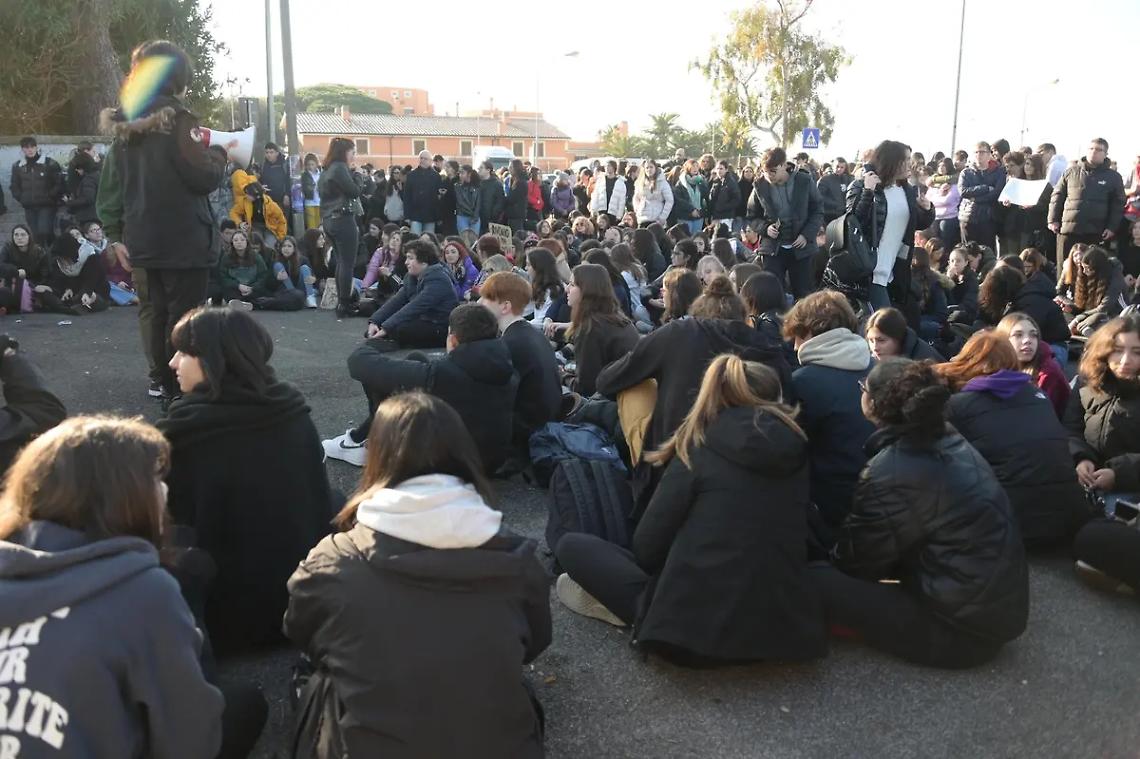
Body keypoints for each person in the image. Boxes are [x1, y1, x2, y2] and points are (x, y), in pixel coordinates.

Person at [286, 392, 550, 757]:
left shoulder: (334, 560)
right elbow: (534, 643)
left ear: (377, 456)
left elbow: (302, 630)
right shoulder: (518, 559)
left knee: (312, 677)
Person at [554, 355, 827, 663]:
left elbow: (646, 549)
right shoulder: (796, 449)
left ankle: (628, 610)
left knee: (573, 546)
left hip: (689, 637)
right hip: (782, 633)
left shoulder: (698, 446)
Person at [0, 416, 237, 758]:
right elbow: (192, 741)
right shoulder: (146, 592)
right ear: (122, 496)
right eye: (155, 480)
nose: (165, 491)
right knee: (243, 704)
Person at [811, 358, 1028, 668]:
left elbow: (856, 565)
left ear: (873, 404)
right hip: (989, 615)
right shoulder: (951, 439)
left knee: (817, 580)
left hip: (958, 633)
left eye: (863, 389)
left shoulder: (893, 468)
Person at [159, 307, 333, 654]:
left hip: (222, 619)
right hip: (301, 603)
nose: (173, 363)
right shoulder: (291, 410)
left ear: (213, 359)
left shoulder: (186, 433)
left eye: (184, 352)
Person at [109, 41, 226, 402]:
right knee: (186, 319)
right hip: (183, 240)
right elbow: (202, 177)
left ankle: (162, 380)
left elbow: (117, 183)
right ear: (176, 78)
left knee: (156, 314)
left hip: (143, 238)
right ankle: (184, 394)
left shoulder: (127, 125)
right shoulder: (179, 120)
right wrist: (221, 153)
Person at [938, 332, 1088, 546]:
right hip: (1066, 518)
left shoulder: (958, 405)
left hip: (1008, 524)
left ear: (968, 360)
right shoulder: (1038, 396)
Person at [331, 304, 518, 473]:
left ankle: (373, 445)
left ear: (453, 340)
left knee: (381, 377)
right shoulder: (507, 368)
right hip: (490, 462)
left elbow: (360, 363)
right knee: (417, 359)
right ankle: (362, 439)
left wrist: (375, 343)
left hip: (449, 467)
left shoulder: (444, 374)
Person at [782, 290, 875, 526]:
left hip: (831, 509)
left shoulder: (803, 382)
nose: (794, 347)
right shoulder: (877, 369)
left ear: (812, 331)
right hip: (883, 499)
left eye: (798, 336)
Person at [1065, 314, 1140, 593]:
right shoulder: (1087, 383)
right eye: (1118, 351)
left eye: (1136, 352)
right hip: (1089, 482)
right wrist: (1080, 458)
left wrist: (1117, 473)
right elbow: (1070, 427)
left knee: (1094, 533)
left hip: (1129, 489)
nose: (1125, 360)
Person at [846, 140, 936, 313]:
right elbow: (853, 221)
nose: (911, 164)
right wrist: (867, 192)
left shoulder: (907, 190)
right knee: (885, 328)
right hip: (869, 272)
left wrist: (927, 210)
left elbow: (915, 224)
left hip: (894, 273)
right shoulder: (861, 184)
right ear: (892, 161)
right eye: (906, 159)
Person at [479, 272, 562, 445]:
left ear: (505, 306)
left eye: (487, 298)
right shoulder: (531, 334)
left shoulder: (510, 343)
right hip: (546, 423)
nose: (479, 303)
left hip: (528, 434)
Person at [747, 147, 823, 300]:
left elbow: (818, 211)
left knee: (804, 296)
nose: (768, 176)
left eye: (773, 171)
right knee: (772, 295)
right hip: (772, 249)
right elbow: (751, 216)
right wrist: (765, 228)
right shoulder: (759, 186)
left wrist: (806, 235)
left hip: (802, 248)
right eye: (765, 171)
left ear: (783, 165)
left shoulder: (805, 180)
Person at [1049, 138, 1125, 273]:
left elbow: (1118, 204)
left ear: (1105, 154)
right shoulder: (1071, 172)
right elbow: (1057, 196)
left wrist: (1111, 227)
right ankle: (1062, 293)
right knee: (1065, 269)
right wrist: (1053, 219)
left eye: (1099, 150)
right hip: (1068, 229)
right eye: (1091, 149)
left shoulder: (1113, 177)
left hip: (1095, 232)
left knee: (1092, 269)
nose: (1094, 152)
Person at [366, 239, 458, 349]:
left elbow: (416, 306)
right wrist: (375, 321)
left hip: (440, 325)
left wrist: (386, 328)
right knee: (382, 327)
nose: (406, 262)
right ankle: (389, 339)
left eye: (410, 258)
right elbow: (396, 301)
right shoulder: (412, 277)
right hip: (425, 320)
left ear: (424, 262)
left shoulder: (439, 279)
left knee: (399, 329)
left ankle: (392, 341)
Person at [564, 264, 639, 397]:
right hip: (627, 396)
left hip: (611, 404)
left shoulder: (590, 328)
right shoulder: (616, 317)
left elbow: (586, 388)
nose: (567, 289)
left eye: (572, 284)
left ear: (587, 290)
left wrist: (562, 376)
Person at [318, 137, 362, 318]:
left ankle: (342, 301)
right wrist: (358, 175)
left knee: (341, 261)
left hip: (329, 219)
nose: (354, 155)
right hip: (342, 218)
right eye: (352, 151)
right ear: (344, 152)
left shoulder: (327, 169)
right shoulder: (339, 168)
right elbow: (354, 191)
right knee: (347, 263)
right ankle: (344, 303)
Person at [995, 312, 1070, 417]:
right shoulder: (989, 371)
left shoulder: (1048, 373)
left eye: (1033, 335)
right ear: (1002, 340)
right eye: (1018, 335)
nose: (1027, 340)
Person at [9, 136, 63, 247]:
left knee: (44, 232)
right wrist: (21, 198)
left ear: (36, 147)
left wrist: (50, 196)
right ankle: (43, 259)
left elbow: (59, 183)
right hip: (29, 206)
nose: (30, 150)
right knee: (36, 235)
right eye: (26, 147)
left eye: (32, 147)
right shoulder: (17, 166)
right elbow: (14, 186)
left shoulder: (49, 163)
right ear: (22, 149)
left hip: (47, 205)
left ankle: (52, 256)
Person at [1066, 246, 1128, 336]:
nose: (1084, 271)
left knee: (1093, 325)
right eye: (1083, 268)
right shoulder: (1090, 277)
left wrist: (1080, 318)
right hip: (1099, 313)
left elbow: (1106, 306)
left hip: (1119, 314)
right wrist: (1072, 309)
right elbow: (1088, 305)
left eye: (1087, 268)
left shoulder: (1115, 278)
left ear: (1097, 267)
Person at [958, 141, 1006, 251]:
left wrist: (975, 198)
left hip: (989, 218)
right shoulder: (966, 172)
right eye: (976, 152)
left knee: (987, 252)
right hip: (968, 217)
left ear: (989, 154)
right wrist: (985, 188)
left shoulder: (998, 172)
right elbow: (963, 191)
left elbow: (996, 193)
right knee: (968, 251)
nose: (979, 155)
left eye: (982, 152)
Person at [209, 229, 267, 310]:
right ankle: (245, 304)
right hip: (236, 288)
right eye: (236, 240)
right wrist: (238, 286)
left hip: (252, 288)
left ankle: (247, 304)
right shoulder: (226, 258)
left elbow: (263, 275)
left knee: (260, 294)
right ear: (232, 243)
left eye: (242, 240)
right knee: (229, 292)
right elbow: (223, 277)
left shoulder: (256, 257)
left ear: (247, 241)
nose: (239, 242)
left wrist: (252, 288)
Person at [259, 235, 318, 310]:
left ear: (294, 248)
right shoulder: (275, 261)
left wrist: (313, 279)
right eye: (284, 246)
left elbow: (313, 278)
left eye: (289, 246)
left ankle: (310, 297)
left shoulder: (303, 259)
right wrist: (277, 279)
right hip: (285, 291)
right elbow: (268, 284)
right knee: (278, 265)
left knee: (305, 268)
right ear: (280, 248)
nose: (286, 249)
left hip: (301, 289)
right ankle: (293, 293)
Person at [866, 306, 943, 362]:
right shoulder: (874, 360)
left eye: (881, 340)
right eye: (871, 341)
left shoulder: (922, 362)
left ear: (898, 338)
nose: (875, 348)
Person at [403, 150, 443, 235]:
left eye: (425, 159)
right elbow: (407, 196)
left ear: (430, 161)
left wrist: (438, 217)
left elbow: (438, 198)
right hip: (415, 215)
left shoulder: (436, 176)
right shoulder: (411, 175)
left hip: (430, 215)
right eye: (421, 158)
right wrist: (407, 216)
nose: (422, 160)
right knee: (415, 239)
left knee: (428, 241)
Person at [929, 157, 961, 248]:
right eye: (939, 165)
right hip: (935, 216)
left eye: (944, 165)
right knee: (933, 243)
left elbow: (949, 199)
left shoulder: (955, 182)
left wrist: (940, 198)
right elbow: (929, 199)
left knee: (945, 243)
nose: (941, 167)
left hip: (949, 216)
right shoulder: (933, 182)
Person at [64, 148, 101, 227]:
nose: (77, 171)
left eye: (78, 168)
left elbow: (88, 198)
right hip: (95, 214)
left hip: (88, 216)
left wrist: (70, 202)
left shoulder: (88, 179)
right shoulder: (97, 175)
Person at [632, 159, 674, 226]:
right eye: (647, 168)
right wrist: (637, 210)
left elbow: (669, 200)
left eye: (651, 167)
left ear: (655, 168)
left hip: (657, 218)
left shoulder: (662, 182)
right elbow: (636, 198)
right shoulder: (640, 183)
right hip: (642, 218)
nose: (649, 169)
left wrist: (662, 217)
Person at [260, 142, 291, 227]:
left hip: (282, 199)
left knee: (283, 223)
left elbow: (288, 181)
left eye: (271, 152)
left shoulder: (284, 165)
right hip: (268, 200)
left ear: (277, 153)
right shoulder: (264, 166)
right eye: (267, 152)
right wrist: (261, 187)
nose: (269, 155)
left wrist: (287, 194)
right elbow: (260, 181)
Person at [817, 156, 852, 225]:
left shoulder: (848, 180)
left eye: (842, 167)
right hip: (829, 216)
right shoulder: (825, 180)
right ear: (833, 166)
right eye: (837, 166)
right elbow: (819, 198)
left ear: (845, 168)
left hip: (844, 216)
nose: (839, 169)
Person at [477, 160, 505, 232]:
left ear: (488, 170)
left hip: (491, 219)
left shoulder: (496, 184)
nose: (478, 169)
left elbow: (500, 201)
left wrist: (494, 215)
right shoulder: (476, 183)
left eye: (481, 168)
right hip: (477, 219)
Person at [505, 159, 530, 235]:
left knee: (517, 236)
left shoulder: (521, 182)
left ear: (516, 168)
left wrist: (504, 198)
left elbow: (512, 198)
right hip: (511, 214)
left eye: (511, 167)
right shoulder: (512, 180)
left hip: (517, 215)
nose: (509, 169)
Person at [300, 152, 322, 229]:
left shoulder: (321, 174)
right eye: (308, 165)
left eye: (312, 164)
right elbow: (305, 188)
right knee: (311, 225)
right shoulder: (305, 175)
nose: (310, 167)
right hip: (309, 201)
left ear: (316, 164)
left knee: (320, 224)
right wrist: (312, 186)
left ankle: (321, 240)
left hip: (320, 201)